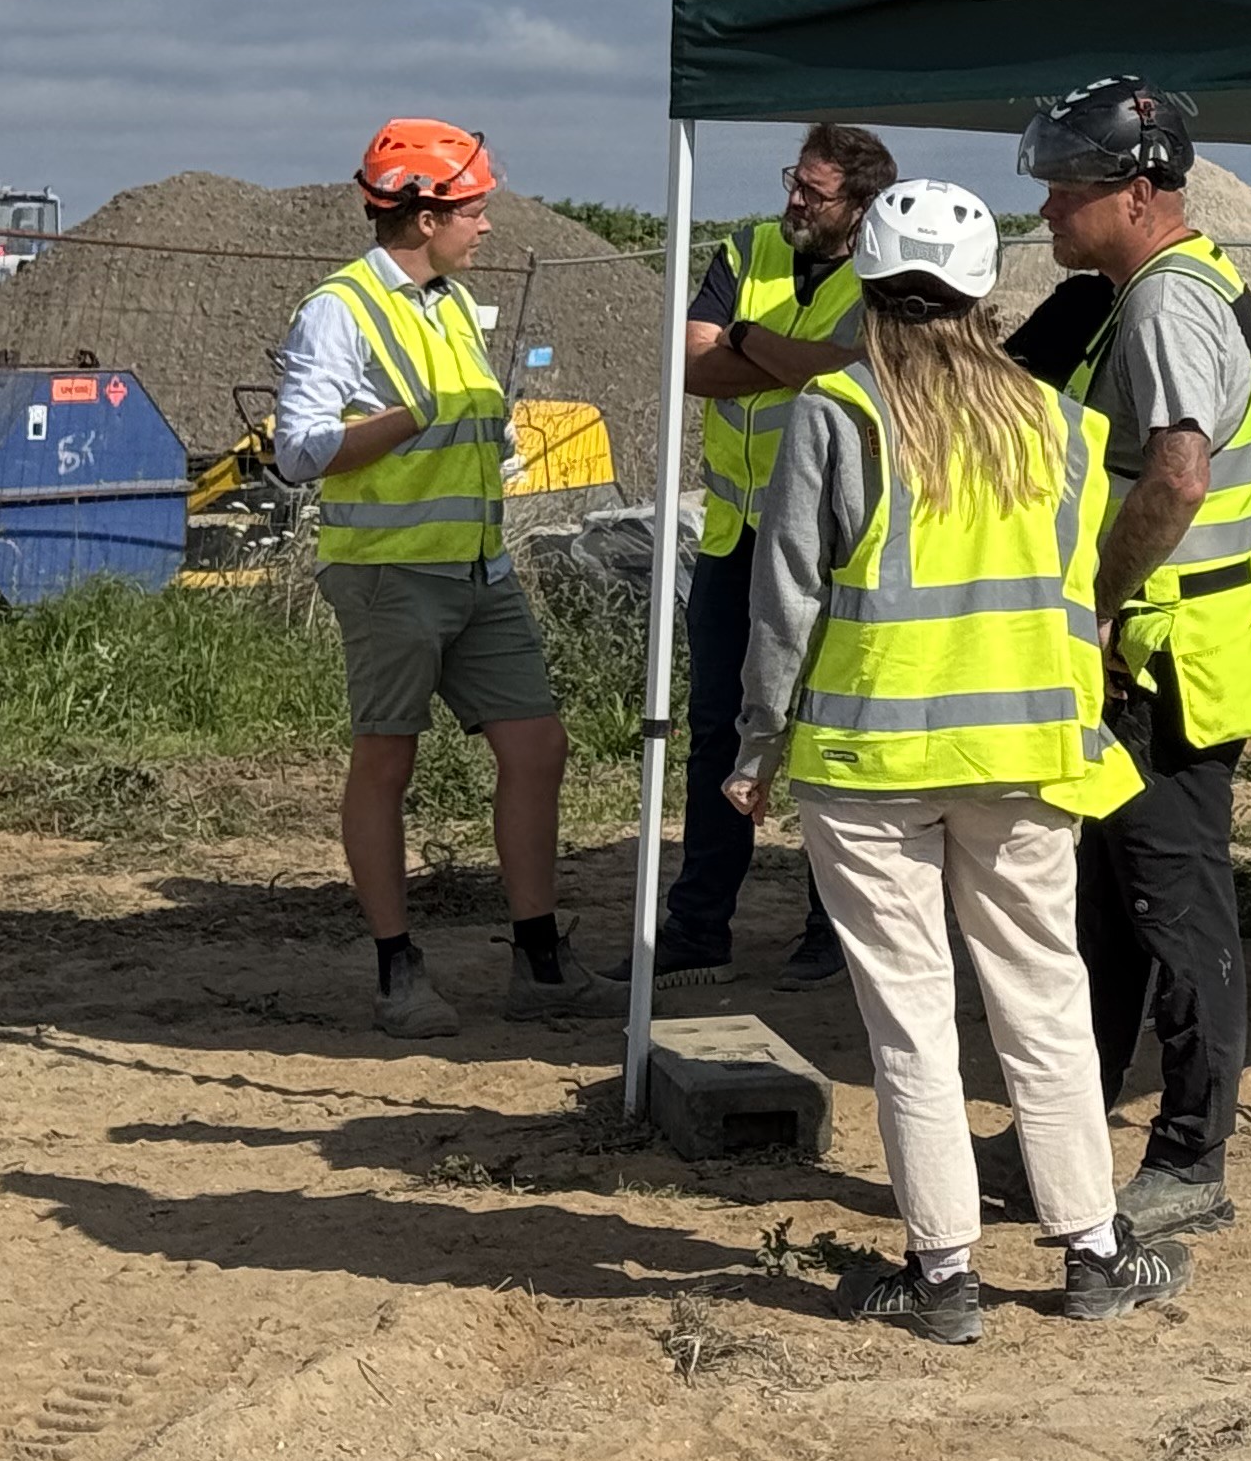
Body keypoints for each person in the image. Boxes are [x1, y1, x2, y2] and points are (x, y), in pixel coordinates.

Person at [722, 177, 1191, 1342]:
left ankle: (944, 1277)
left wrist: (754, 745)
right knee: (1044, 995)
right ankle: (1090, 1248)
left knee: (910, 1019)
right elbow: (1080, 592)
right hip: (1028, 752)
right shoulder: (1065, 427)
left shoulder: (838, 410)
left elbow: (783, 600)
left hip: (870, 759)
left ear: (870, 286)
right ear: (988, 296)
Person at [1015, 76, 1251, 1245]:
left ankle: (1192, 1156)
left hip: (1169, 660)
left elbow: (1177, 476)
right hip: (1159, 649)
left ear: (1136, 193)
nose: (1046, 213)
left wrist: (1093, 601)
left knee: (1172, 909)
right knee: (1106, 914)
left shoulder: (1168, 306)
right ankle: (1066, 1136)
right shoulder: (1141, 292)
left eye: (1066, 192)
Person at [270, 119, 620, 1039]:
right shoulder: (338, 309)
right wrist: (407, 422)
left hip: (479, 568)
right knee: (388, 760)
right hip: (388, 576)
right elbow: (299, 452)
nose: (488, 225)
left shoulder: (453, 302)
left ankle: (539, 961)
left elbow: (473, 428)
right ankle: (398, 970)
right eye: (474, 209)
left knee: (538, 747)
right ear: (424, 216)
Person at [656, 121, 897, 988]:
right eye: (793, 180)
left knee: (835, 732)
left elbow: (856, 369)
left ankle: (831, 931)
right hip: (734, 535)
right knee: (718, 729)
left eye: (815, 191)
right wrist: (797, 363)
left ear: (860, 204)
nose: (794, 200)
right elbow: (693, 368)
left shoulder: (886, 266)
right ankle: (696, 927)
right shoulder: (747, 246)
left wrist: (748, 341)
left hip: (837, 541)